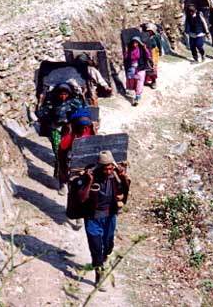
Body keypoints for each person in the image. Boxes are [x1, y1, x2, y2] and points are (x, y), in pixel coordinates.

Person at [78, 150, 130, 287]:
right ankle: (99, 275)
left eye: (110, 168)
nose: (108, 171)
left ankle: (103, 257)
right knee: (96, 248)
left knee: (108, 246)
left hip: (109, 217)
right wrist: (89, 182)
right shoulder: (90, 177)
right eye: (105, 168)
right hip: (92, 219)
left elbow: (124, 190)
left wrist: (124, 177)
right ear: (100, 168)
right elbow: (82, 198)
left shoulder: (114, 177)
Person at [37, 82, 85, 191]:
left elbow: (83, 111)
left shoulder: (74, 102)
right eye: (61, 94)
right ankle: (61, 180)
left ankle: (71, 178)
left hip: (70, 130)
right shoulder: (51, 102)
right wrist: (50, 119)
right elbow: (41, 113)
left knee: (70, 154)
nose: (63, 97)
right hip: (56, 129)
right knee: (59, 153)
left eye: (65, 94)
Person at [58, 108, 96, 194]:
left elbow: (93, 141)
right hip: (71, 155)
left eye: (85, 128)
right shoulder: (70, 129)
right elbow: (63, 146)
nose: (83, 130)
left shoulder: (90, 129)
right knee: (64, 167)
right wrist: (70, 136)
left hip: (86, 154)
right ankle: (63, 183)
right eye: (81, 127)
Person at [123, 36, 152, 106]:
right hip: (132, 69)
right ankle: (136, 93)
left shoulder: (142, 50)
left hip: (141, 68)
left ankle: (137, 97)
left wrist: (145, 49)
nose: (134, 44)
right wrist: (126, 51)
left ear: (139, 43)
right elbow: (126, 58)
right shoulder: (130, 50)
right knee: (134, 83)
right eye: (133, 43)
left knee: (140, 83)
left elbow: (148, 56)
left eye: (136, 43)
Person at [144, 23, 162, 88]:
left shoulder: (156, 36)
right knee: (147, 66)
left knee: (153, 67)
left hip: (154, 52)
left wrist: (160, 52)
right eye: (148, 31)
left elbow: (159, 44)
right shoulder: (145, 36)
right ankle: (146, 79)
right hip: (147, 52)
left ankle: (153, 81)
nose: (149, 32)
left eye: (150, 31)